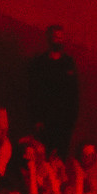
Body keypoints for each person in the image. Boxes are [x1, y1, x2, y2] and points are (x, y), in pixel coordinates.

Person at [27, 25, 80, 156]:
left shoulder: (68, 63)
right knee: (41, 154)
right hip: (44, 121)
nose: (58, 40)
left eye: (60, 37)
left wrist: (71, 121)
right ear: (49, 38)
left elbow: (74, 94)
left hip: (63, 122)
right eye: (55, 37)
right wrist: (36, 119)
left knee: (59, 157)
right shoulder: (40, 63)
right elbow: (33, 93)